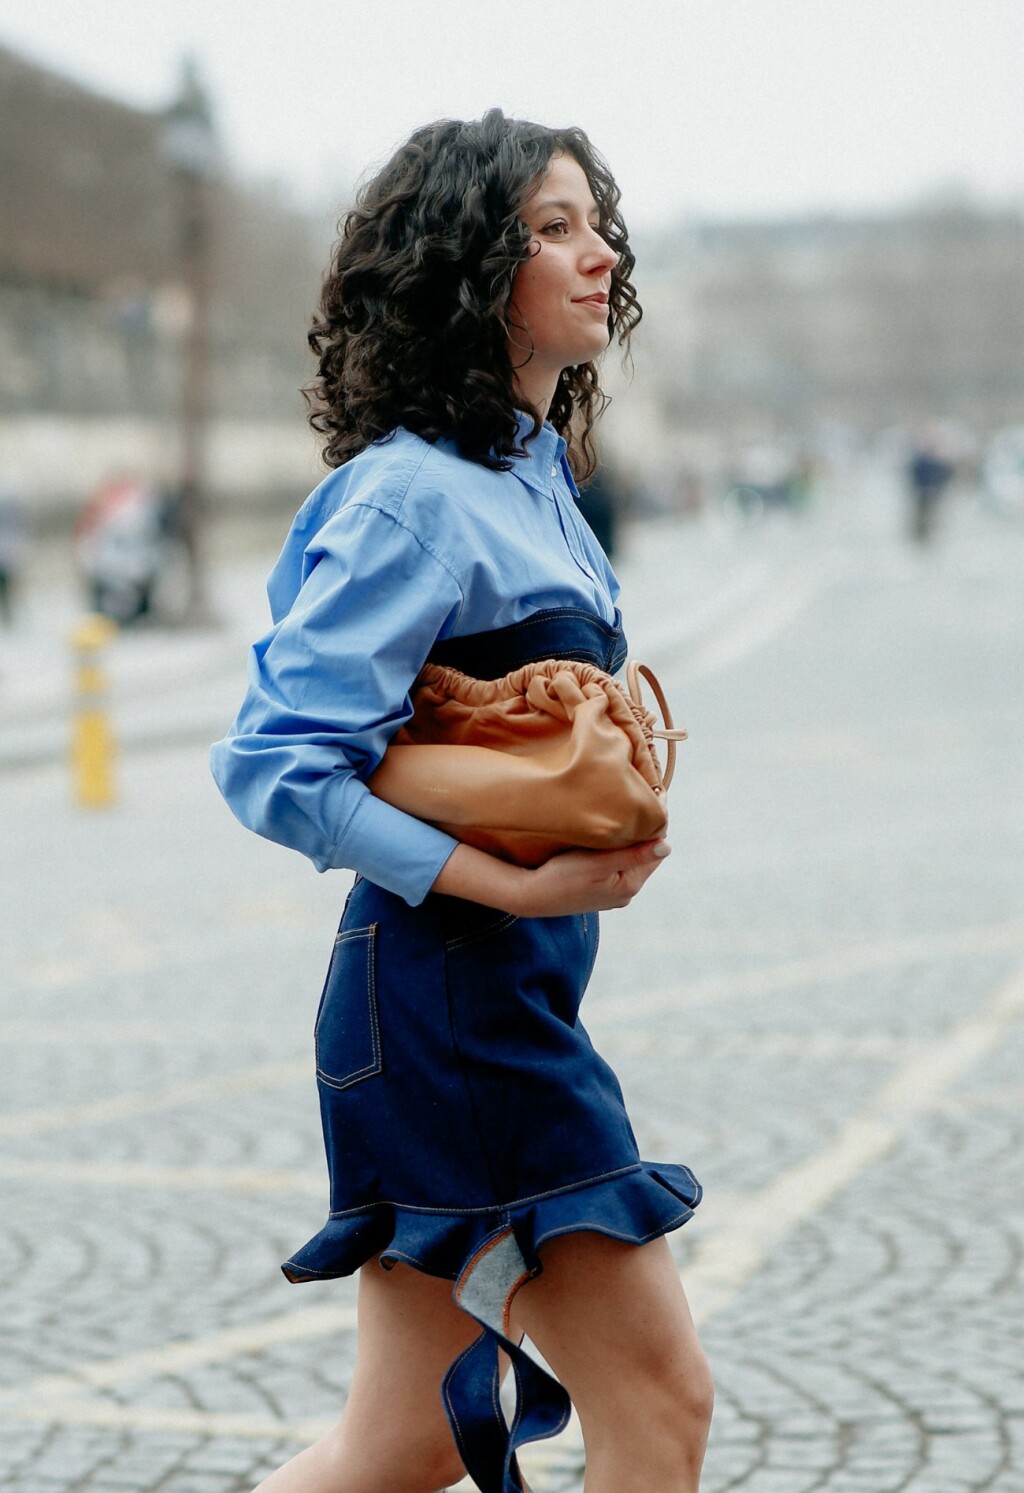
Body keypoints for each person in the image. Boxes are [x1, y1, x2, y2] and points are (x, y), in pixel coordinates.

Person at [211, 109, 712, 1493]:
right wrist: (518, 885)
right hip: (454, 1011)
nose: (599, 253)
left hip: (492, 996)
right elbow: (274, 763)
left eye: (597, 223)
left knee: (407, 1437)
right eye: (553, 228)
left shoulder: (535, 479)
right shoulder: (410, 499)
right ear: (469, 268)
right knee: (661, 1400)